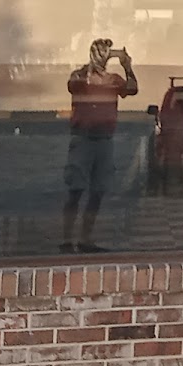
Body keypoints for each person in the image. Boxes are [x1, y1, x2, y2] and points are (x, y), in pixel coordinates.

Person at [61, 38, 138, 253]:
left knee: (97, 191)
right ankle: (67, 239)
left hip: (104, 140)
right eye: (101, 52)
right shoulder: (80, 76)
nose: (104, 56)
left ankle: (85, 238)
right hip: (83, 139)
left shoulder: (113, 80)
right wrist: (90, 67)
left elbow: (133, 89)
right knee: (76, 189)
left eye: (107, 52)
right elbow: (73, 85)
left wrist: (127, 66)